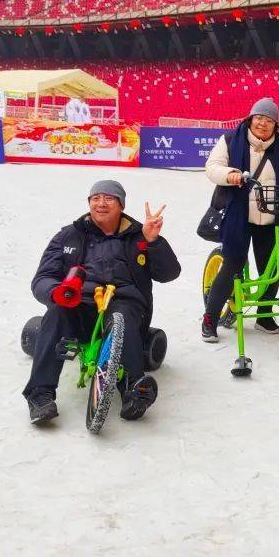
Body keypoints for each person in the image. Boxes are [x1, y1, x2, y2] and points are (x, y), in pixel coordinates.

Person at [24, 180, 181, 424]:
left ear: (121, 205)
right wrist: (57, 292)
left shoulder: (139, 234)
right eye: (95, 198)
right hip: (80, 301)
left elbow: (169, 273)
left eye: (109, 198)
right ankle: (40, 395)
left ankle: (133, 390)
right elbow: (43, 277)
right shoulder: (69, 235)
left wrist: (153, 243)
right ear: (89, 203)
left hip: (123, 303)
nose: (101, 203)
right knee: (56, 314)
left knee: (123, 317)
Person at [201, 97, 279, 341]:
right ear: (250, 119)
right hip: (237, 215)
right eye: (259, 118)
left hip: (270, 217)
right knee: (232, 265)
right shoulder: (231, 140)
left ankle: (264, 315)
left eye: (269, 120)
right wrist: (230, 174)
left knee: (271, 267)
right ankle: (210, 317)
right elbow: (212, 167)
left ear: (276, 125)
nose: (263, 123)